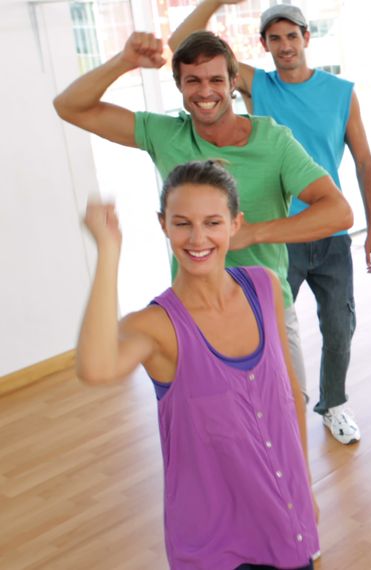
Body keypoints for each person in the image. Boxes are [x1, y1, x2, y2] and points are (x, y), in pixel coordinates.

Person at [53, 31, 353, 413]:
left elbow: (338, 211)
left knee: (285, 419)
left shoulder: (273, 142)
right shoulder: (165, 134)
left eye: (216, 80)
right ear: (178, 85)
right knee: (217, 429)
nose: (205, 90)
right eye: (193, 80)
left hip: (268, 308)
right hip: (195, 314)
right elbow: (70, 107)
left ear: (232, 84)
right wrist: (124, 61)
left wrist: (249, 234)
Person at [75, 161, 318, 569]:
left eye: (212, 222)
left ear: (235, 224)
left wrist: (304, 483)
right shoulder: (156, 326)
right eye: (182, 223)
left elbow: (289, 395)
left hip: (283, 519)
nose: (198, 238)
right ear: (163, 225)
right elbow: (96, 368)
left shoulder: (264, 286)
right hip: (212, 545)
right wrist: (108, 253)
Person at [168, 1, 371, 445]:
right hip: (275, 239)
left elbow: (363, 161)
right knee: (271, 333)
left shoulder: (341, 92)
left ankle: (335, 403)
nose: (284, 46)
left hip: (329, 233)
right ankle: (257, 421)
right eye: (274, 38)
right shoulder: (256, 85)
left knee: (339, 326)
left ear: (307, 38)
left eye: (292, 36)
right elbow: (182, 46)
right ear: (263, 45)